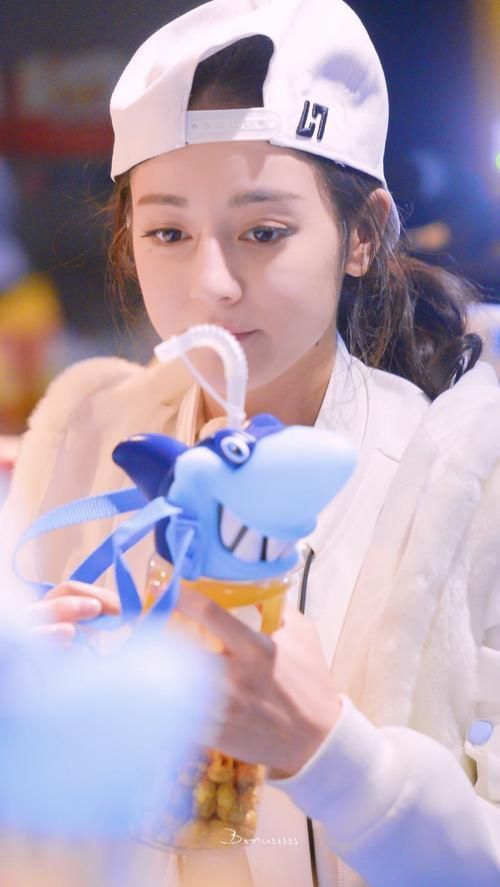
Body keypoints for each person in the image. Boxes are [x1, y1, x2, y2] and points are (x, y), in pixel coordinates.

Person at [2, 1, 500, 884]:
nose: (213, 284)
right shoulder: (83, 442)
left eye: (263, 232)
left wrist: (330, 751)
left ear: (362, 234)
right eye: (168, 232)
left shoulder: (467, 484)